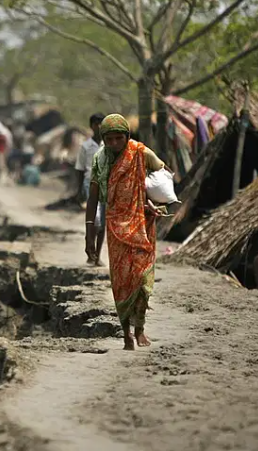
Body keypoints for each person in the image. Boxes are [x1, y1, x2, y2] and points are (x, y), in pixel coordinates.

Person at [85, 114, 165, 351]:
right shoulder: (100, 161)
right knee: (121, 282)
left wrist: (152, 201)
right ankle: (126, 334)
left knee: (141, 278)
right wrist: (89, 232)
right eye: (109, 139)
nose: (114, 144)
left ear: (127, 137)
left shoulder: (140, 153)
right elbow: (92, 198)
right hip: (115, 226)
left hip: (141, 223)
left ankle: (140, 328)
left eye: (119, 138)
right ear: (103, 139)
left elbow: (161, 173)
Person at [75, 113, 106, 265]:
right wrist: (79, 189)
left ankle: (97, 256)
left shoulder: (109, 145)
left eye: (101, 123)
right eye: (96, 123)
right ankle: (90, 247)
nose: (99, 126)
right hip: (90, 184)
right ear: (92, 126)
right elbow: (80, 169)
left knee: (103, 223)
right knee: (95, 221)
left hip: (106, 186)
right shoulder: (86, 146)